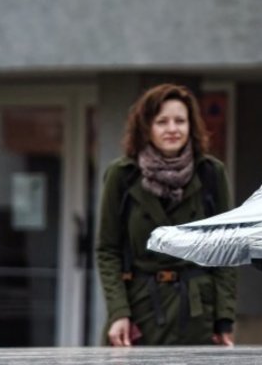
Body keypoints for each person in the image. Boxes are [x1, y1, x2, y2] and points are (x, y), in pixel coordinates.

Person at [96, 83, 237, 346]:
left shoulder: (210, 173)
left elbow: (226, 249)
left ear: (191, 126)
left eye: (180, 121)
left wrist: (224, 319)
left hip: (197, 316)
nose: (172, 129)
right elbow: (108, 250)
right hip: (140, 313)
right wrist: (118, 312)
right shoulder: (122, 175)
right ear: (146, 126)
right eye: (162, 121)